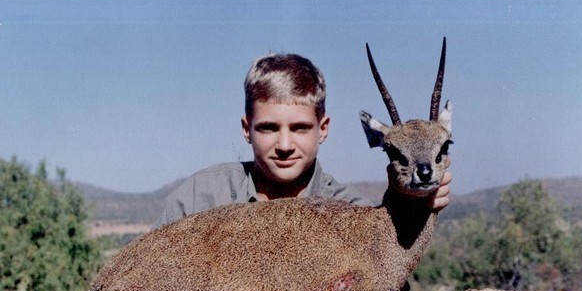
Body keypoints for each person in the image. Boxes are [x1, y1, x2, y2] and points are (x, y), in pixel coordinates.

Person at [155, 52, 451, 228]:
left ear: (323, 128)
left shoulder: (352, 211)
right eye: (268, 128)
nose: (284, 146)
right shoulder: (199, 196)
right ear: (247, 129)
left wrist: (414, 206)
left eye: (299, 128)